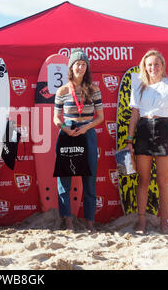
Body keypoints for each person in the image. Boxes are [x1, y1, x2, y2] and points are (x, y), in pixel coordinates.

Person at [127, 49, 168, 234]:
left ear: (162, 65)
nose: (153, 68)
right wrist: (129, 140)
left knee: (162, 180)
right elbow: (134, 115)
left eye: (156, 64)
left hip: (164, 130)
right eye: (149, 64)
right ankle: (141, 222)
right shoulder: (138, 86)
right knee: (143, 180)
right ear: (145, 66)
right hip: (143, 130)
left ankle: (164, 224)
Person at [53, 49, 104, 232]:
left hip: (87, 133)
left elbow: (100, 117)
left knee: (89, 179)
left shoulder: (94, 89)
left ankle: (90, 223)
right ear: (71, 67)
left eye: (83, 64)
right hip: (68, 134)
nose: (80, 67)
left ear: (87, 67)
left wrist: (86, 127)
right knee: (64, 180)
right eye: (77, 64)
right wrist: (65, 128)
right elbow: (56, 117)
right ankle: (67, 222)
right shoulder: (62, 90)